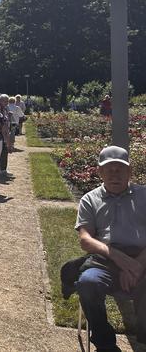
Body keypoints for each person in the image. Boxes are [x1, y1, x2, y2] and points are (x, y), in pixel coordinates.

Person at [74, 146, 146, 351]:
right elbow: (85, 239)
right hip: (105, 260)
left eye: (120, 169)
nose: (115, 174)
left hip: (142, 258)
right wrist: (118, 257)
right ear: (100, 172)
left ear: (130, 172)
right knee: (88, 282)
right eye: (109, 169)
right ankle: (105, 343)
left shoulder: (144, 196)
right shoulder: (90, 199)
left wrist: (137, 264)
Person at [0, 94, 14, 177]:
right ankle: (1, 169)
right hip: (0, 133)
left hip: (5, 131)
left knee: (3, 151)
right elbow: (2, 122)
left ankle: (1, 168)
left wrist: (9, 117)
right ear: (0, 101)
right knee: (3, 151)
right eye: (5, 101)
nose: (7, 102)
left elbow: (6, 120)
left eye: (7, 101)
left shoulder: (5, 109)